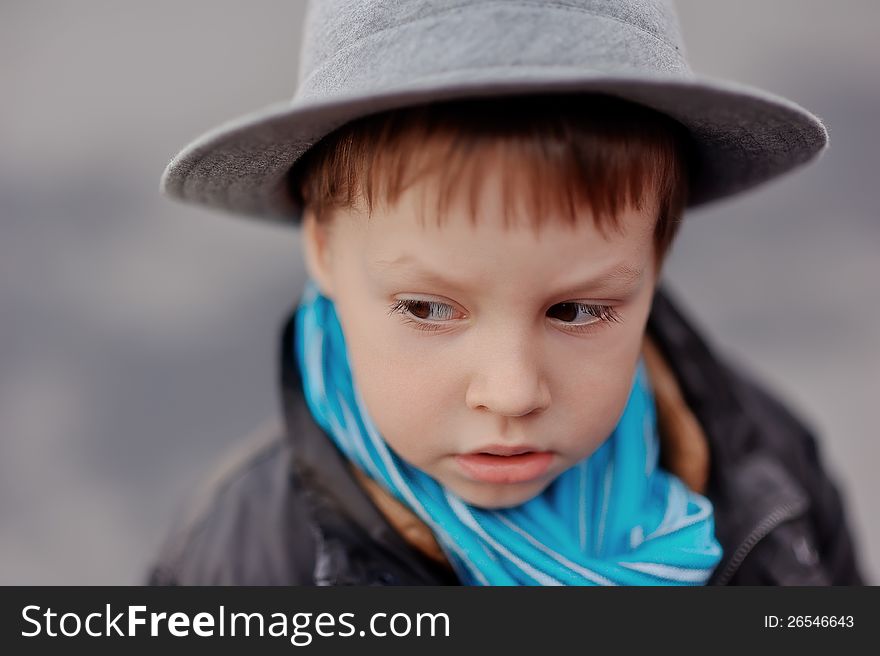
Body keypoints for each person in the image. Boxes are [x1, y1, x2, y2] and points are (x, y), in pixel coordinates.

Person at [148, 0, 865, 585]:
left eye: (577, 310)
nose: (513, 392)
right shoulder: (244, 566)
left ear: (655, 258)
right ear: (326, 252)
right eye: (428, 308)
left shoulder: (767, 467)